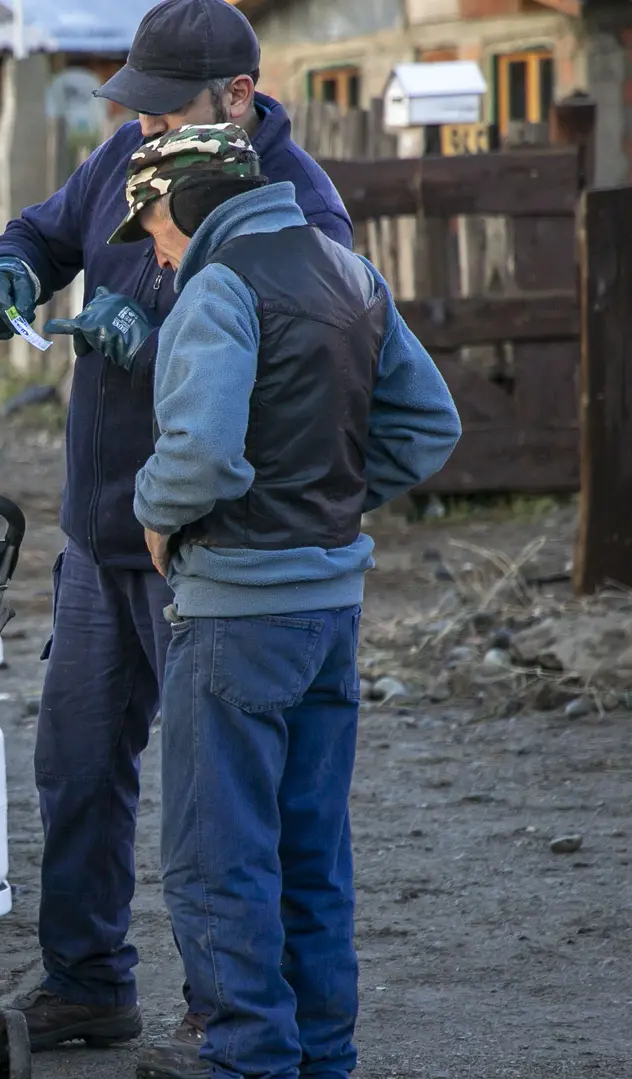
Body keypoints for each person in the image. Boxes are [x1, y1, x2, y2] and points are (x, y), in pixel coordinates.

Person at [0, 0, 352, 1057]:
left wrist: (166, 333)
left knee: (217, 811)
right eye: (132, 109)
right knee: (78, 768)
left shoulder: (303, 209)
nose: (142, 128)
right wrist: (11, 265)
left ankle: (223, 1011)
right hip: (99, 535)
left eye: (162, 109)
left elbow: (311, 368)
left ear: (238, 96)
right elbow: (46, 229)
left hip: (207, 550)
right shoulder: (122, 158)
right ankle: (88, 981)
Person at [95, 124, 460, 1079]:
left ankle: (250, 1057)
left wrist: (153, 516)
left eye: (153, 231)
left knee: (219, 855)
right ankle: (322, 1055)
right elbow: (430, 426)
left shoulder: (219, 287)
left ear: (180, 203)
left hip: (234, 614)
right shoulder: (351, 274)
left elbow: (205, 454)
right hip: (330, 610)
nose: (157, 254)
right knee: (312, 850)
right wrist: (326, 495)